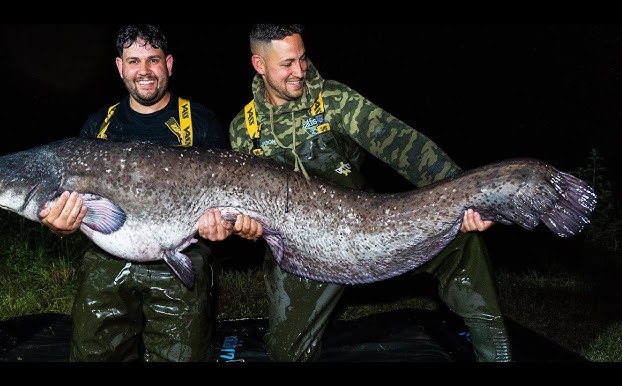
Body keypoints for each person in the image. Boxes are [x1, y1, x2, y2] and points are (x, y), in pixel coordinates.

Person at [218, 24, 511, 362]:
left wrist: (465, 194)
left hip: (367, 229)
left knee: (461, 244)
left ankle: (498, 355)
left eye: (302, 58)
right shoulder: (245, 128)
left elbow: (402, 145)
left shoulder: (334, 99)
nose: (299, 71)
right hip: (303, 248)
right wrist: (247, 229)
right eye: (287, 64)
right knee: (285, 353)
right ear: (259, 65)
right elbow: (244, 207)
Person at [39, 24, 260, 362]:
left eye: (153, 60)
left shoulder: (200, 123)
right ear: (119, 66)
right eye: (134, 61)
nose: (144, 71)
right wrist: (59, 223)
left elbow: (229, 205)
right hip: (107, 259)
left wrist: (223, 230)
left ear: (168, 64)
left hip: (182, 257)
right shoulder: (97, 128)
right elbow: (75, 209)